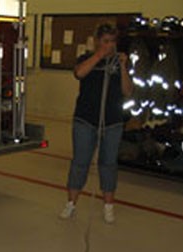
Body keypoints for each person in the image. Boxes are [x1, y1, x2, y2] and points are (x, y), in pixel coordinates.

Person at [60, 24, 134, 224]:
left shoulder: (120, 63)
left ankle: (108, 206)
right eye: (105, 41)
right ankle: (71, 204)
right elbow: (79, 73)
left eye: (112, 42)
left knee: (108, 163)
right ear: (97, 41)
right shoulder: (86, 59)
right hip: (85, 120)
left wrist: (124, 67)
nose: (109, 46)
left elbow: (127, 91)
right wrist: (98, 56)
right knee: (80, 162)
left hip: (112, 121)